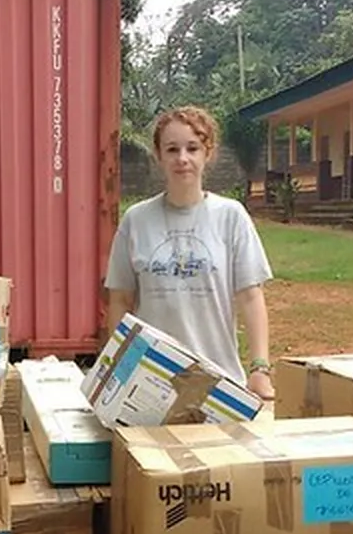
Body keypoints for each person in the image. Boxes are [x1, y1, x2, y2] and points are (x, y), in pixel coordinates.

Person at [103, 105, 277, 407]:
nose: (182, 158)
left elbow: (251, 297)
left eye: (192, 148)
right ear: (158, 156)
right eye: (172, 149)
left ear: (208, 153)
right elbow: (120, 300)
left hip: (219, 383)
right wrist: (119, 365)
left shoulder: (231, 216)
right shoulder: (136, 220)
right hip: (150, 383)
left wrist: (260, 369)